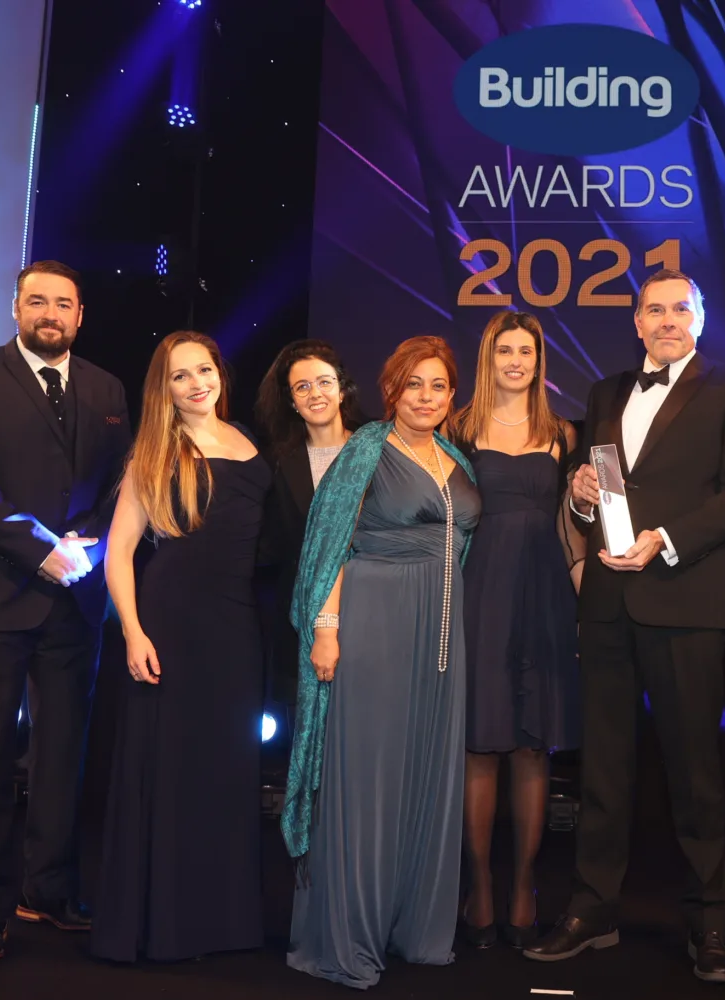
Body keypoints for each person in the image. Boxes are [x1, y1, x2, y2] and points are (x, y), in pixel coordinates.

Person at [524, 269, 725, 983]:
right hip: (606, 605)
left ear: (701, 317)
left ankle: (709, 921)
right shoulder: (604, 392)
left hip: (686, 602)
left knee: (695, 773)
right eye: (654, 310)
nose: (667, 320)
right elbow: (594, 493)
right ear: (636, 321)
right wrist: (575, 494)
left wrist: (666, 537)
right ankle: (593, 909)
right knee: (602, 769)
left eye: (679, 309)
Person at [0, 260, 131, 965]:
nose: (51, 313)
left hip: (76, 595)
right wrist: (39, 547)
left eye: (63, 304)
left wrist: (92, 541)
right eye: (37, 301)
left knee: (63, 753)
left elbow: (119, 482)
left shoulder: (107, 388)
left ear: (81, 316)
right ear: (15, 308)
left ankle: (47, 890)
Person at [285, 336, 482, 989]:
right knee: (366, 783)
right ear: (391, 390)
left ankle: (414, 927)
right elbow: (330, 546)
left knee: (422, 775)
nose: (425, 397)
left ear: (453, 396)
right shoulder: (364, 451)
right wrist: (327, 629)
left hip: (441, 643)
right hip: (371, 628)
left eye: (438, 386)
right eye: (413, 385)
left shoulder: (453, 458)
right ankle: (347, 937)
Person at [91, 331, 271, 963]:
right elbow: (118, 553)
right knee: (166, 767)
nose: (196, 383)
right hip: (170, 620)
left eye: (204, 370)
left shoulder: (251, 438)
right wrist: (133, 631)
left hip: (235, 626)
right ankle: (162, 924)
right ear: (162, 388)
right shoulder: (155, 449)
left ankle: (220, 921)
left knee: (226, 767)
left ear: (220, 373)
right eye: (179, 376)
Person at [447, 310, 580, 950]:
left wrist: (582, 588)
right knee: (479, 744)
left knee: (533, 748)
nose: (516, 361)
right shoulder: (459, 428)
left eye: (526, 350)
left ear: (538, 358)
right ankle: (479, 889)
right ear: (489, 356)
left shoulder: (563, 432)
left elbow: (570, 523)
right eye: (506, 350)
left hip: (545, 594)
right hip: (478, 594)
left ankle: (524, 888)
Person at [254, 339, 366, 711]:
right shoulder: (275, 463)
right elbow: (267, 545)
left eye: (323, 382)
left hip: (373, 611)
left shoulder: (376, 450)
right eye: (302, 387)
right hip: (300, 622)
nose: (314, 394)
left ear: (342, 388)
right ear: (291, 400)